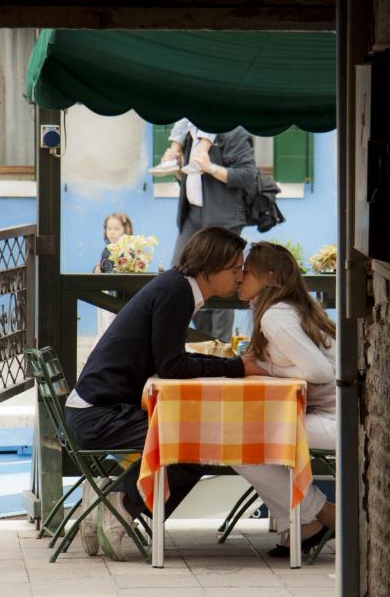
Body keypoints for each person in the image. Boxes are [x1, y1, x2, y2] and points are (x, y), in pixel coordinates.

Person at [65, 226, 265, 560]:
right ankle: (123, 503)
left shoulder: (176, 287)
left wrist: (232, 366)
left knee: (194, 438)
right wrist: (236, 368)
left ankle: (111, 497)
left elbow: (172, 360)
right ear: (208, 268)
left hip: (93, 411)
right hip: (98, 417)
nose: (240, 278)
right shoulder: (176, 293)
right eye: (234, 270)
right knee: (197, 444)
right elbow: (173, 367)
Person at [235, 241, 337, 557]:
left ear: (268, 277)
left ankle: (324, 515)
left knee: (240, 445)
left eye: (246, 271)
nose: (239, 278)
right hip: (330, 413)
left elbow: (320, 372)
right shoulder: (287, 309)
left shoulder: (276, 317)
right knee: (247, 439)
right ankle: (302, 526)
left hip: (338, 421)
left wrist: (263, 367)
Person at [151, 119, 259, 342]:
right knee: (182, 273)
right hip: (193, 217)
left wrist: (210, 167)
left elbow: (248, 175)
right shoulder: (192, 133)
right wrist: (179, 169)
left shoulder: (235, 131)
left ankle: (220, 344)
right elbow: (193, 179)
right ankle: (201, 340)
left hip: (223, 218)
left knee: (223, 280)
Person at [93, 211, 134, 338]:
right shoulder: (107, 249)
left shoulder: (129, 249)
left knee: (122, 323)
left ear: (125, 230)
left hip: (124, 295)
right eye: (109, 228)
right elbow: (104, 265)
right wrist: (97, 268)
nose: (112, 232)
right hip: (110, 294)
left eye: (116, 229)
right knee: (109, 323)